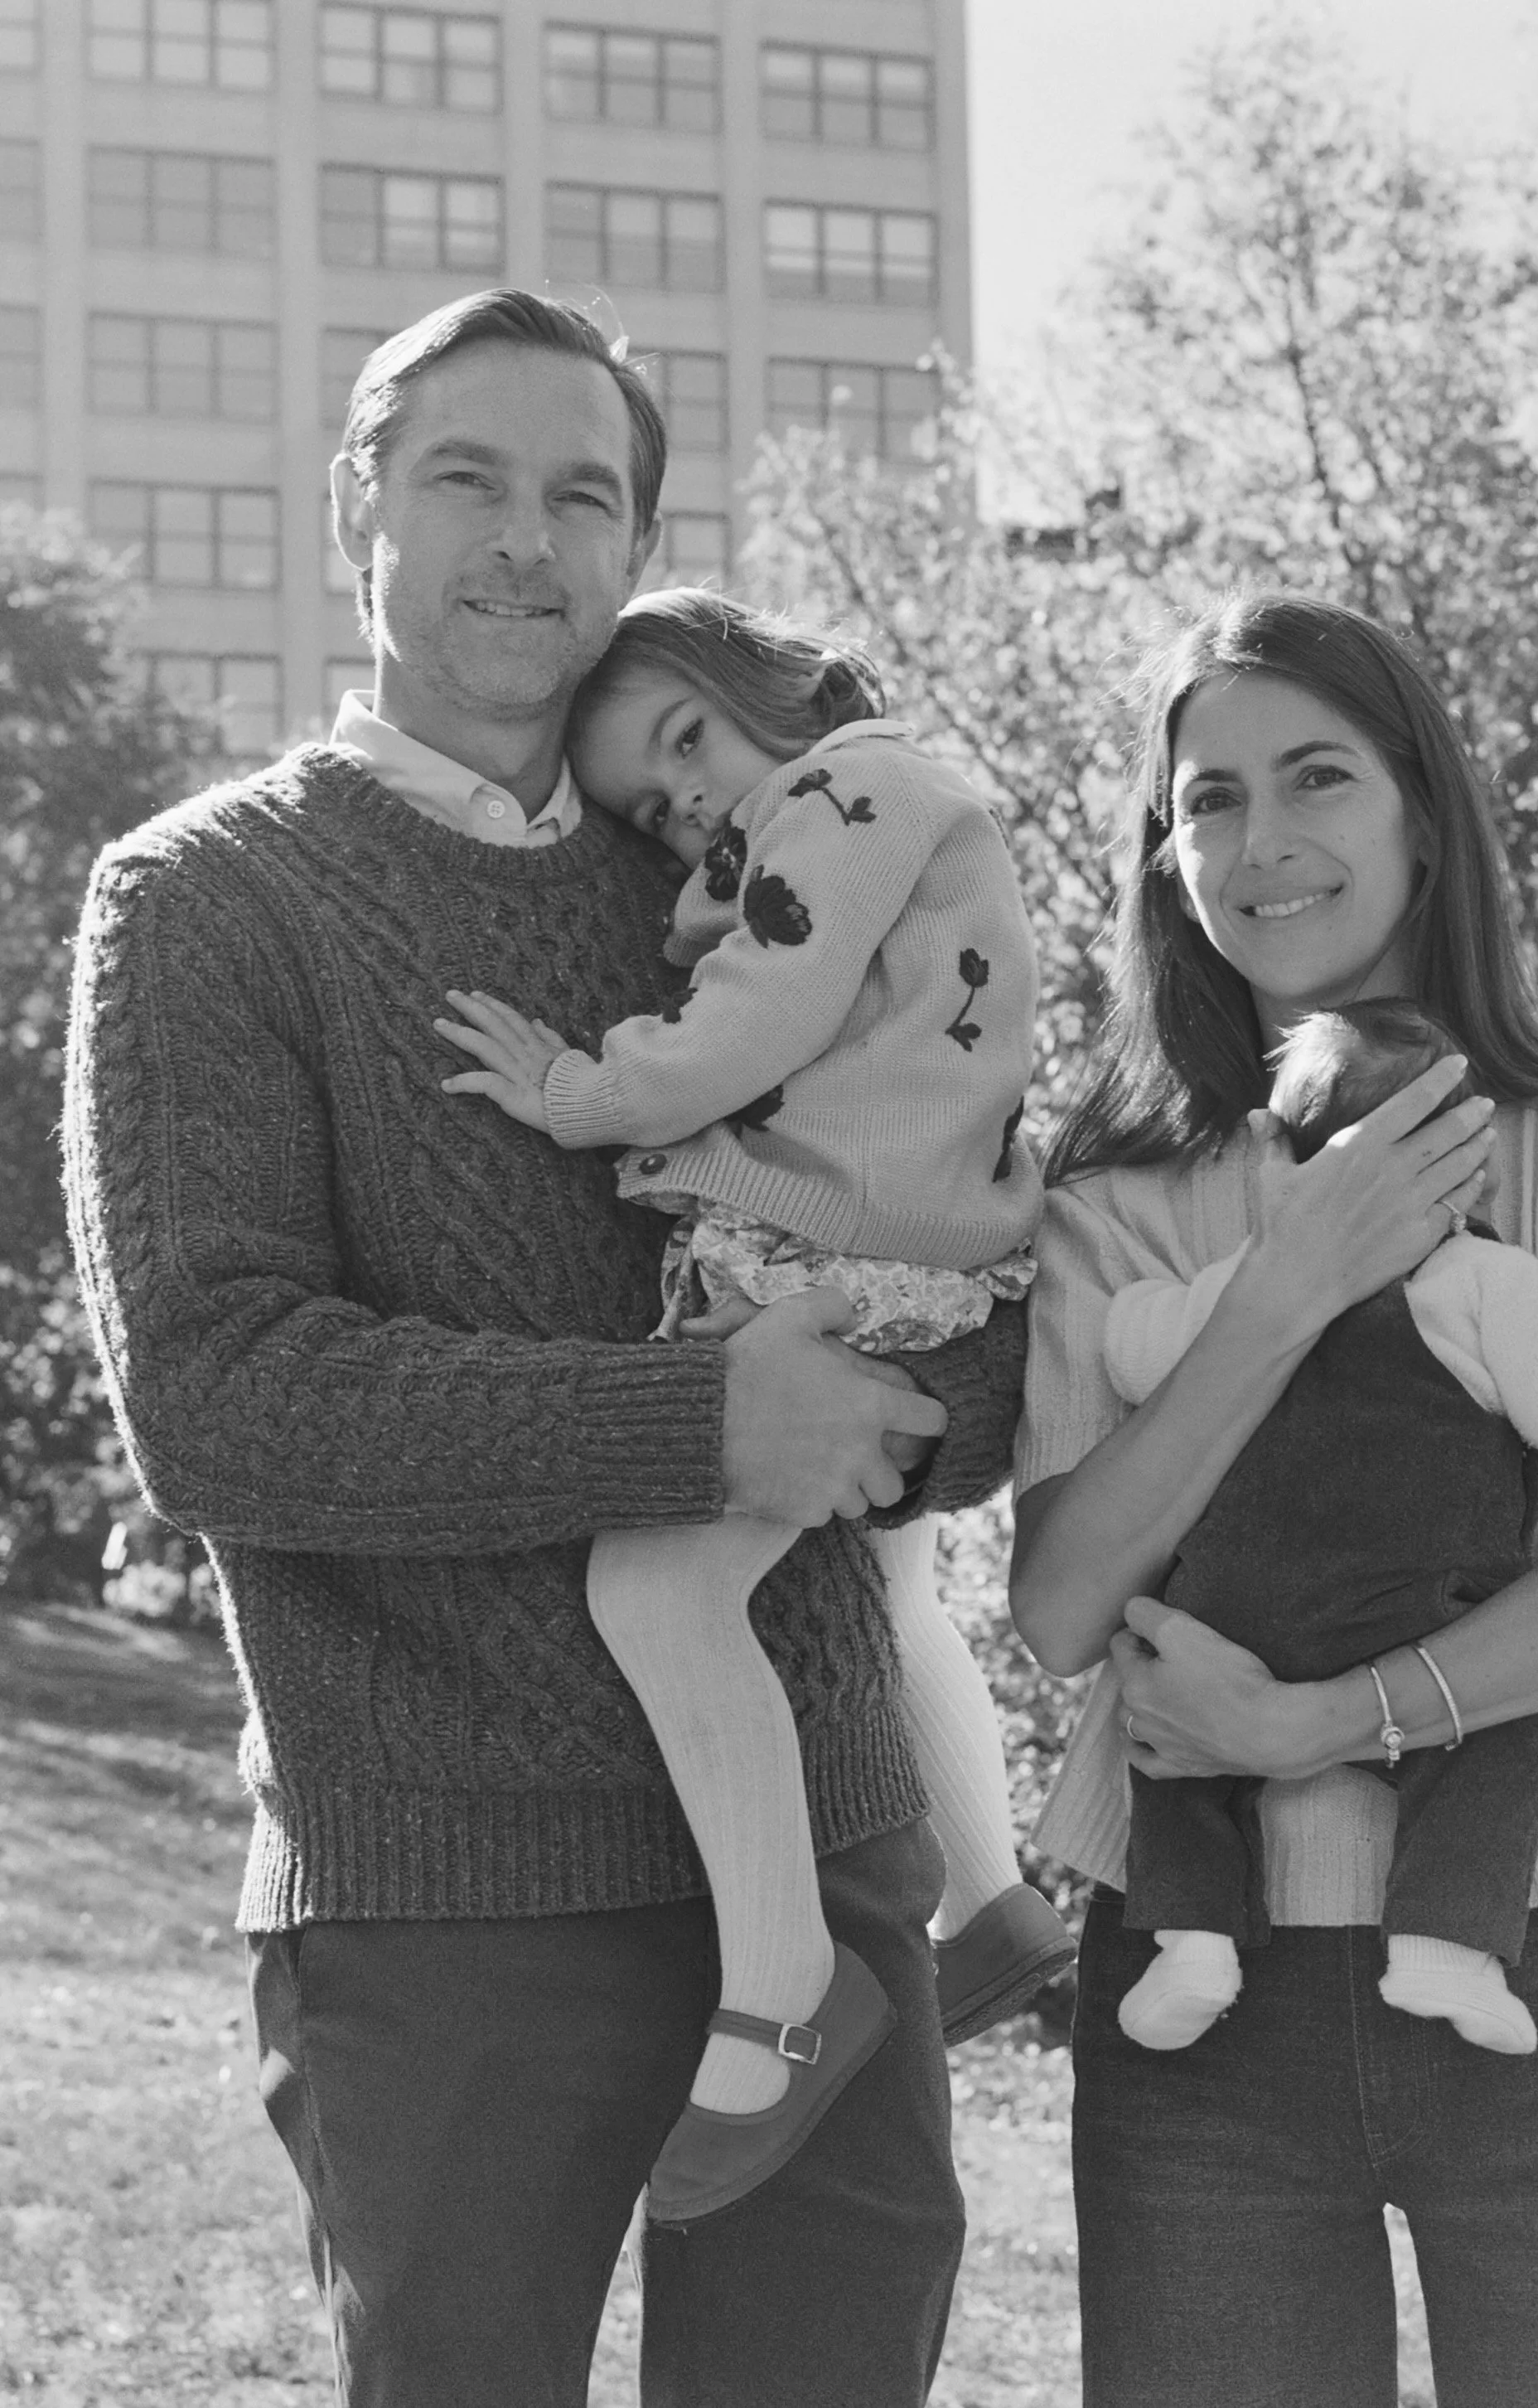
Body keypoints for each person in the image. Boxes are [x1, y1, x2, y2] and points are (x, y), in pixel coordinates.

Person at [61, 288, 1027, 2408]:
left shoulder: (745, 877)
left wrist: (913, 1404)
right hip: (446, 1889)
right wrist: (703, 1424)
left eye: (581, 495)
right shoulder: (204, 900)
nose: (525, 538)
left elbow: (966, 1245)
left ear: (638, 548)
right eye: (464, 480)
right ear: (357, 511)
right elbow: (220, 1397)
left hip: (822, 1858)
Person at [1008, 591, 1538, 2408]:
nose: (1259, 841)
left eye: (1316, 778)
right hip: (1193, 2004)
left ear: (1422, 817)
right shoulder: (1108, 1206)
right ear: (1165, 854)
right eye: (1208, 800)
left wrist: (1325, 1722)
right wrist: (1291, 1285)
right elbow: (1059, 1607)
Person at [430, 587, 1072, 2220]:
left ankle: (783, 1990)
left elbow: (764, 1011)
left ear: (777, 683)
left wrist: (585, 1091)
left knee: (654, 1587)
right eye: (655, 805)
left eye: (691, 742)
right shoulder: (873, 808)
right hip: (911, 1239)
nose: (690, 803)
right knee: (885, 1581)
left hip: (855, 1249)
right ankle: (994, 1902)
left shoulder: (848, 793)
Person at [1101, 996, 1538, 2060]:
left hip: (1237, 1607)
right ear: (1465, 1167)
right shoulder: (1481, 1280)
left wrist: (1138, 1312)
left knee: (1177, 1738)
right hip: (1416, 1612)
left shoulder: (1238, 1288)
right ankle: (1443, 1946)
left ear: (1274, 1164)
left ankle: (1192, 1944)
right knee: (1492, 1732)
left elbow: (1132, 1352)